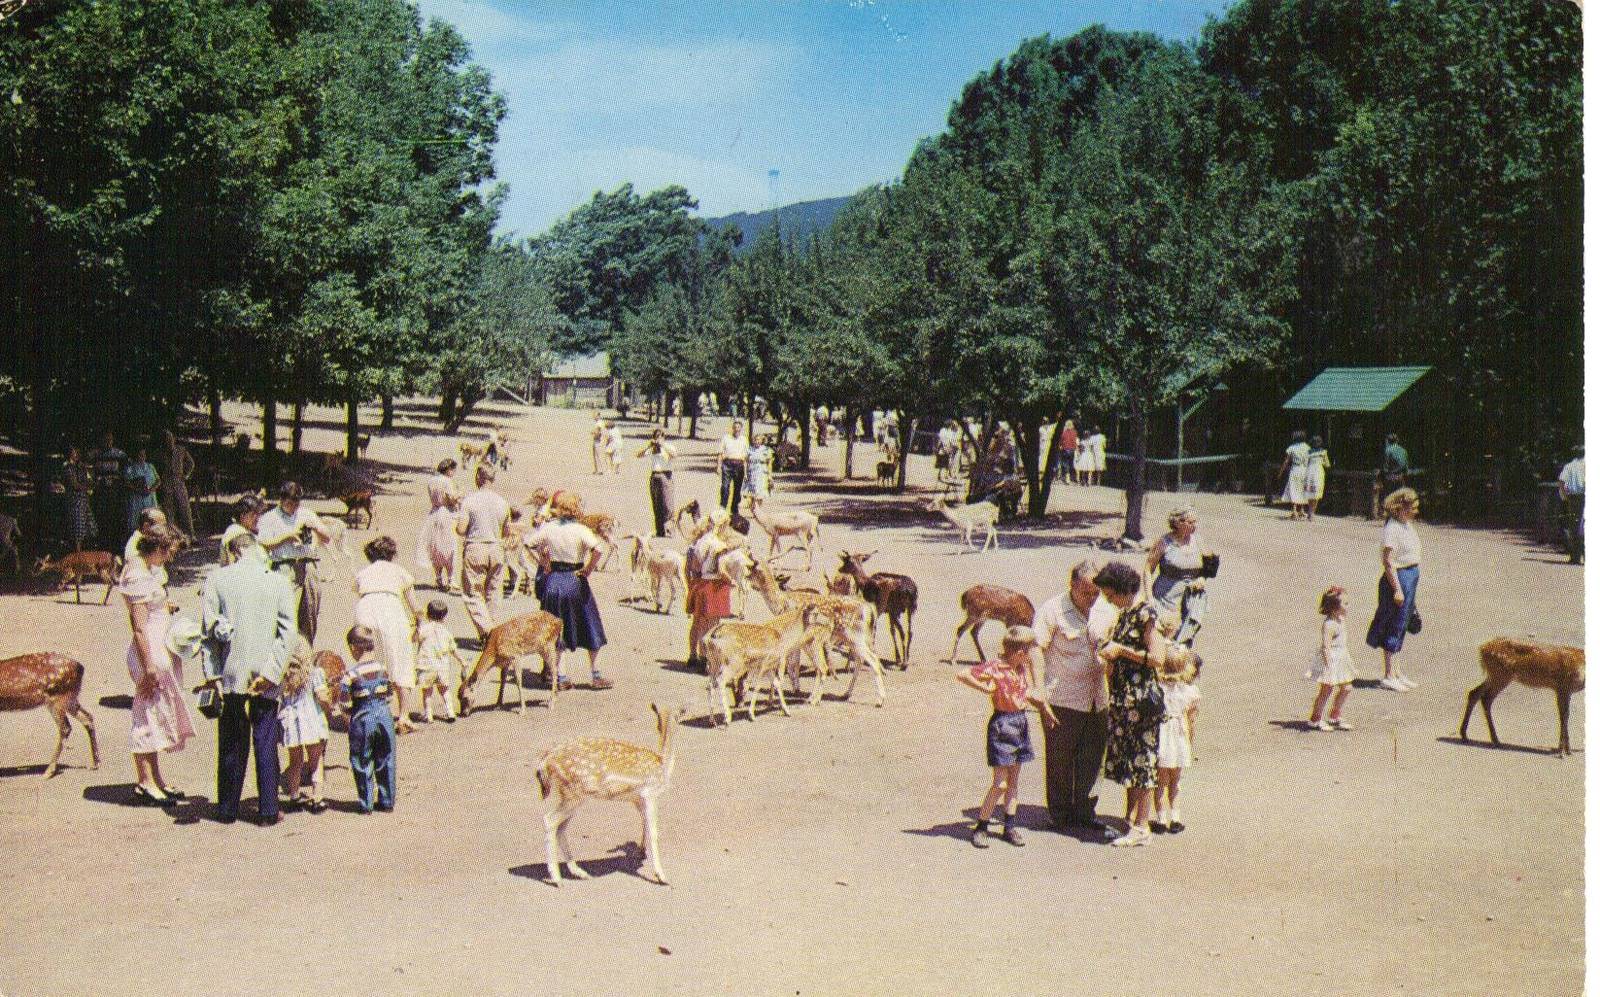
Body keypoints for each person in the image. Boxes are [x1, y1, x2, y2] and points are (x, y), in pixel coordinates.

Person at [200, 532, 297, 826]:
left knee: (231, 738)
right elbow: (287, 633)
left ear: (232, 552)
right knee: (265, 739)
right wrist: (272, 672)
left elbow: (207, 632)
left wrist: (211, 673)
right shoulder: (279, 581)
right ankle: (268, 810)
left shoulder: (216, 579)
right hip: (264, 671)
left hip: (230, 670)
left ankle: (227, 808)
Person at [1034, 559, 1117, 831]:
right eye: (1085, 592)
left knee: (1093, 757)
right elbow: (1035, 649)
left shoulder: (1106, 608)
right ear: (1071, 585)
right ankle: (1059, 813)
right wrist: (1037, 691)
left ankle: (1085, 810)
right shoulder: (1052, 610)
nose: (1091, 598)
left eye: (1096, 593)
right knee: (1060, 757)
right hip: (1063, 696)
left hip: (1097, 696)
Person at [958, 625, 1056, 848]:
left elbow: (1027, 693)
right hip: (1002, 725)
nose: (1030, 657)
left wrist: (1045, 708)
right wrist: (985, 688)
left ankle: (1009, 827)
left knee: (1013, 781)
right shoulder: (996, 667)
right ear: (1020, 652)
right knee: (1000, 783)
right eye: (1029, 652)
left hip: (1020, 723)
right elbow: (962, 674)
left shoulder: (1021, 670)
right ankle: (981, 826)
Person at [119, 527, 194, 806]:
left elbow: (152, 607)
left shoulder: (147, 570)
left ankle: (156, 778)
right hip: (148, 652)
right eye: (170, 551)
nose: (171, 557)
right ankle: (145, 780)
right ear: (160, 548)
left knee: (158, 712)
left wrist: (166, 607)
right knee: (146, 712)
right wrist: (149, 665)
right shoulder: (137, 576)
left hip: (159, 647)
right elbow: (138, 627)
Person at [1093, 560, 1165, 848]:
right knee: (1128, 761)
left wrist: (1121, 650)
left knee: (1142, 761)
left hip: (1141, 700)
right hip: (1124, 699)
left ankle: (1142, 826)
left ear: (1124, 589)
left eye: (1111, 594)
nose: (1108, 600)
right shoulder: (1124, 615)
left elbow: (1158, 658)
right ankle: (1131, 820)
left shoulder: (1145, 614)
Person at [530, 491, 612, 690]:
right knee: (590, 624)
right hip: (575, 579)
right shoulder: (580, 530)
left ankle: (561, 676)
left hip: (554, 581)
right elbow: (599, 548)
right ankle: (596, 673)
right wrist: (589, 569)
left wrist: (543, 561)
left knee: (556, 631)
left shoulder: (549, 528)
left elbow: (528, 543)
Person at [353, 535, 419, 733]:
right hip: (390, 609)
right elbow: (414, 605)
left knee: (370, 660)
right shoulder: (399, 571)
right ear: (392, 554)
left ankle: (371, 711)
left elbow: (358, 591)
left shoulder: (363, 572)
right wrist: (418, 622)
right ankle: (404, 716)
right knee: (400, 660)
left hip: (365, 608)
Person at [257, 482, 331, 642]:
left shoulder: (306, 514)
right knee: (285, 615)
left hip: (308, 565)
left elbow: (327, 537)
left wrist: (315, 528)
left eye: (296, 503)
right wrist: (287, 537)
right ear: (281, 500)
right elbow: (263, 543)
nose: (293, 507)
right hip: (285, 567)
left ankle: (305, 654)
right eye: (290, 503)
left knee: (310, 613)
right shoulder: (269, 518)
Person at [1366, 487, 1423, 692]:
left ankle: (1397, 672)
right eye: (1412, 507)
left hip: (1410, 575)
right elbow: (1388, 561)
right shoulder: (1392, 528)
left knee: (1403, 624)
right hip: (1398, 578)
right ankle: (1389, 675)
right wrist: (1397, 589)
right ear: (1400, 507)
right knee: (1394, 624)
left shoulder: (1405, 525)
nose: (1416, 511)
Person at [338, 625, 396, 814]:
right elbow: (389, 696)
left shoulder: (351, 675)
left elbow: (345, 704)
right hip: (384, 715)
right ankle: (387, 801)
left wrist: (349, 720)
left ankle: (366, 803)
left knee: (362, 760)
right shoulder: (383, 669)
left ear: (354, 647)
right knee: (386, 756)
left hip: (362, 718)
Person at [456, 463, 510, 641]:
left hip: (476, 546)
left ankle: (488, 631)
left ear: (479, 476)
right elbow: (506, 531)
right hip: (496, 547)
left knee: (473, 592)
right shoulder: (502, 502)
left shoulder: (470, 501)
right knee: (493, 592)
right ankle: (490, 633)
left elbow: (461, 529)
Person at [277, 637, 330, 813]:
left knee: (295, 762)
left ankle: (294, 795)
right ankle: (317, 798)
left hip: (292, 725)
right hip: (312, 723)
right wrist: (328, 707)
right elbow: (322, 697)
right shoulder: (315, 674)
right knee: (316, 760)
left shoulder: (284, 676)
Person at [1147, 506, 1211, 647]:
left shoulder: (1198, 540)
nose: (1194, 526)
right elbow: (1147, 570)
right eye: (1190, 522)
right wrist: (1149, 597)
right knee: (1163, 639)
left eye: (1195, 522)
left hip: (1190, 600)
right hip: (1165, 599)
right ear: (1177, 522)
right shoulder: (1163, 542)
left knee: (1184, 641)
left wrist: (1202, 578)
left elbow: (1210, 565)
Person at [1152, 653, 1199, 834]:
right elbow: (1191, 720)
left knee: (1161, 781)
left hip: (1162, 736)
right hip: (1179, 736)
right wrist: (1189, 743)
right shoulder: (1188, 692)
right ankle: (1176, 818)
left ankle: (1162, 819)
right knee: (1175, 781)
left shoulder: (1158, 688)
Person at [685, 510, 735, 672]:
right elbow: (721, 570)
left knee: (698, 622)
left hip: (700, 583)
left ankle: (694, 655)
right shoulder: (718, 545)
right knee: (712, 625)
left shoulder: (701, 541)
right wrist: (731, 581)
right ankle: (706, 659)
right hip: (714, 586)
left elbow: (694, 566)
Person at [1306, 586, 1356, 731]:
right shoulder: (1329, 625)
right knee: (1326, 690)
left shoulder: (1340, 619)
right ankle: (1315, 719)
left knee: (1347, 687)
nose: (1348, 606)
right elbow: (1326, 647)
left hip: (1341, 658)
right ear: (1334, 608)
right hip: (1331, 660)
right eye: (1345, 604)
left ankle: (1334, 715)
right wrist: (1329, 665)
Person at [413, 599, 462, 722]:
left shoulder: (425, 629)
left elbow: (415, 639)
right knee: (444, 690)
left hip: (426, 665)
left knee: (427, 691)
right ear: (444, 617)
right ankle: (450, 712)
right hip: (442, 666)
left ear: (428, 614)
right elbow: (453, 649)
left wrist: (417, 626)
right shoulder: (446, 632)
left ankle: (428, 715)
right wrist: (462, 661)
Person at [416, 459, 461, 591]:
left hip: (434, 513)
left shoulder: (432, 481)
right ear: (449, 470)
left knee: (436, 546)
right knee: (449, 547)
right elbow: (451, 499)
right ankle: (451, 578)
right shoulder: (447, 481)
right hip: (446, 514)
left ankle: (438, 577)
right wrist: (459, 495)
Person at [90, 432, 127, 553]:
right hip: (100, 489)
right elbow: (90, 471)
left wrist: (118, 480)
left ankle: (114, 546)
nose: (108, 442)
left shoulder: (119, 454)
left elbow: (126, 470)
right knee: (102, 516)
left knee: (114, 515)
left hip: (114, 489)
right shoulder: (95, 454)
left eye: (110, 440)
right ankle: (102, 545)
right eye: (105, 440)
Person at [636, 429, 678, 538]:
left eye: (659, 437)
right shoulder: (653, 449)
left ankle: (670, 529)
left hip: (665, 475)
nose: (657, 439)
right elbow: (638, 455)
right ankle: (660, 530)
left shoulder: (668, 447)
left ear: (663, 437)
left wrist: (662, 445)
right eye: (656, 437)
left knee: (668, 504)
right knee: (656, 504)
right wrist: (648, 446)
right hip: (654, 476)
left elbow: (674, 454)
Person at [155, 429, 195, 539]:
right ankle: (172, 537)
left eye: (170, 438)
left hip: (179, 482)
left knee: (185, 509)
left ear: (173, 439)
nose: (169, 441)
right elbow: (156, 469)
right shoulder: (160, 453)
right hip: (166, 483)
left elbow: (191, 463)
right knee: (169, 511)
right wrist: (161, 478)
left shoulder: (181, 450)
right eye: (166, 439)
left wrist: (186, 475)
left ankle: (190, 536)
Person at [61, 446, 96, 551]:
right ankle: (78, 553)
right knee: (77, 528)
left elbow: (90, 481)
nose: (77, 454)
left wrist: (87, 485)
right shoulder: (68, 468)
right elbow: (75, 485)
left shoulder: (82, 467)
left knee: (89, 527)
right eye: (74, 452)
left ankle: (85, 552)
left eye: (78, 452)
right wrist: (86, 486)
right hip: (74, 501)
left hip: (84, 500)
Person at [123, 442, 160, 536]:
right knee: (136, 522)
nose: (142, 457)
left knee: (151, 520)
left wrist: (151, 490)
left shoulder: (150, 466)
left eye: (144, 455)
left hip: (150, 497)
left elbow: (158, 480)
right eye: (140, 455)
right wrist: (138, 490)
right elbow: (127, 482)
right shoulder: (130, 468)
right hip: (136, 499)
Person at [219, 495, 267, 567]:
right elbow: (251, 565)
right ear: (242, 516)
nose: (257, 518)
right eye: (253, 514)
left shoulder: (240, 529)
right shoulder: (239, 534)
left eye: (259, 514)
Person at [1558, 444, 1584, 564]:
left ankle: (1575, 556)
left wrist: (1564, 496)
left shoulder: (1569, 466)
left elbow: (1562, 481)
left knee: (1575, 526)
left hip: (1574, 498)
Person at [718, 420, 749, 514]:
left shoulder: (744, 439)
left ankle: (734, 509)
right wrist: (718, 467)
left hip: (739, 465)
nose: (736, 429)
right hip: (727, 464)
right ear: (732, 428)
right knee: (725, 487)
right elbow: (720, 453)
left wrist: (746, 472)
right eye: (735, 427)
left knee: (737, 489)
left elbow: (746, 457)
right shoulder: (726, 438)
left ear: (741, 429)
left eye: (738, 428)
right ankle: (722, 508)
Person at [1279, 430, 1311, 520]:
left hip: (1295, 469)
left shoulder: (1292, 448)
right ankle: (1301, 510)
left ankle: (1294, 511)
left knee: (1293, 489)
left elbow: (1286, 461)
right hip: (1304, 470)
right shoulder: (1307, 447)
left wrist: (1281, 471)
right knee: (1302, 489)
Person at [744, 434, 774, 509]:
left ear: (761, 441)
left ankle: (758, 509)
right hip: (752, 472)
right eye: (755, 439)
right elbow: (745, 462)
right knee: (752, 492)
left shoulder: (766, 450)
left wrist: (770, 475)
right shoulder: (750, 449)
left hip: (762, 472)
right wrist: (745, 473)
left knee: (760, 492)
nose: (757, 441)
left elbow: (769, 463)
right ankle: (753, 508)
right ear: (753, 440)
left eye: (759, 440)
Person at [1306, 436, 1332, 521]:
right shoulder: (1323, 452)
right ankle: (1312, 512)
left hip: (1309, 472)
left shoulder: (1308, 452)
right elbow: (1327, 464)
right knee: (1317, 493)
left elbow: (1305, 463)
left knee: (1310, 492)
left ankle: (1309, 511)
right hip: (1318, 473)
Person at [1058, 420, 1078, 484]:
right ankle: (1072, 477)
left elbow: (1061, 440)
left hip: (1065, 449)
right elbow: (1074, 441)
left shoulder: (1064, 432)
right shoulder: (1075, 432)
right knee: (1071, 463)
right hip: (1072, 450)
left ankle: (1067, 478)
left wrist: (1060, 445)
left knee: (1065, 464)